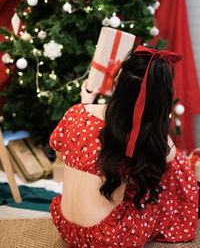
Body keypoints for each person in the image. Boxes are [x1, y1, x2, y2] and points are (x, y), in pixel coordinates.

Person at [49, 45, 199, 248]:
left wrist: (86, 103)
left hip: (67, 229)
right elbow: (173, 162)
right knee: (170, 169)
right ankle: (180, 217)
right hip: (110, 239)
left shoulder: (76, 112)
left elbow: (60, 151)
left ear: (118, 75)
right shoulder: (142, 136)